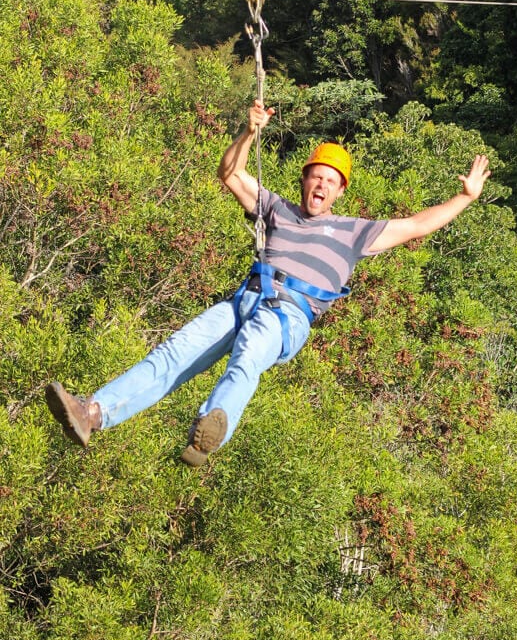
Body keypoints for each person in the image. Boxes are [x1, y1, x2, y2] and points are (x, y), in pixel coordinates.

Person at [45, 100, 491, 466]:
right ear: (304, 181)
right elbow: (229, 174)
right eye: (316, 176)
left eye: (330, 182)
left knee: (250, 353)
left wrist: (465, 197)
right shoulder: (276, 208)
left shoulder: (354, 232)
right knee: (173, 354)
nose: (321, 185)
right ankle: (93, 413)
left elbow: (417, 225)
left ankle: (209, 429)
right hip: (244, 299)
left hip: (287, 314)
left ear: (339, 192)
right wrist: (248, 133)